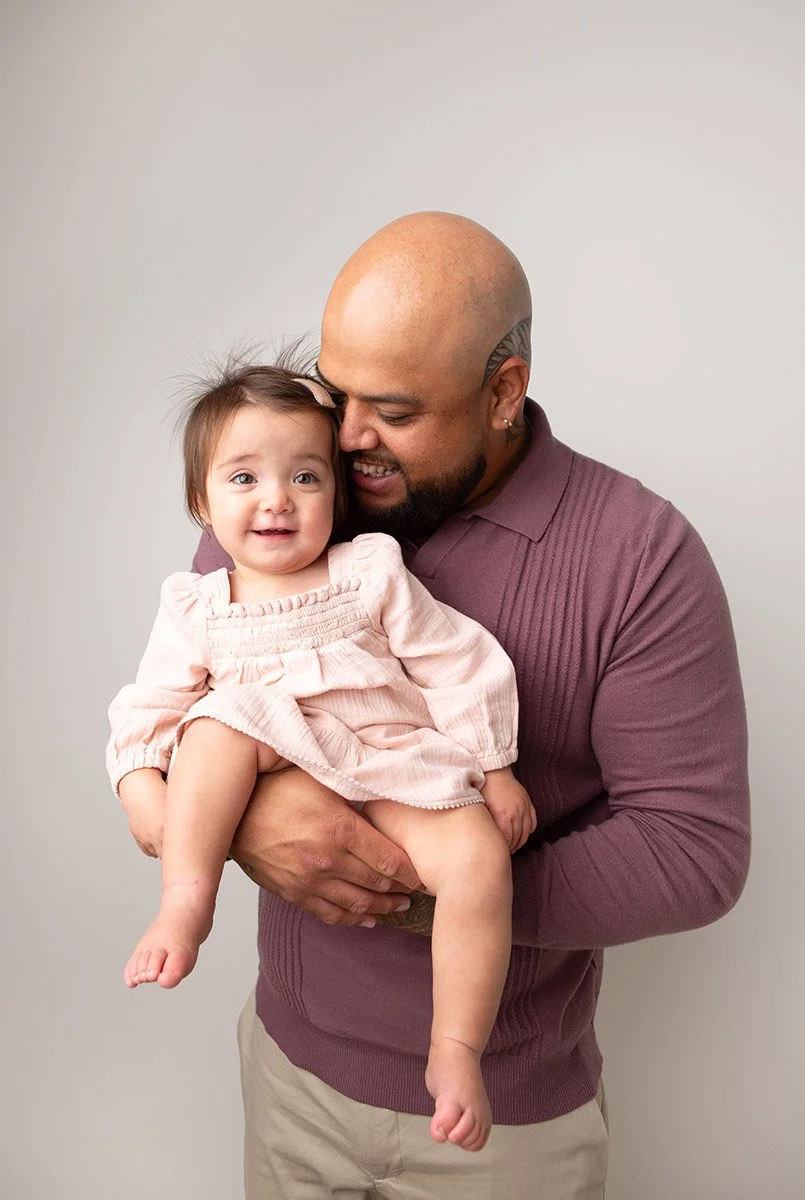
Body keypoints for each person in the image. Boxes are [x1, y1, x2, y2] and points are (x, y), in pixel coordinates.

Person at [122, 212, 750, 1199]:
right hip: (290, 1074)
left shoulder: (641, 557)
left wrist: (415, 885)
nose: (346, 436)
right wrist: (242, 829)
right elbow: (181, 715)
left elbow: (694, 853)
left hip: (504, 1131)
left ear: (504, 391)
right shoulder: (289, 498)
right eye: (339, 393)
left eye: (396, 410)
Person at [107, 361, 536, 1152]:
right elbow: (150, 705)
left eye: (305, 476)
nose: (276, 499)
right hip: (268, 749)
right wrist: (138, 782)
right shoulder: (198, 606)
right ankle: (185, 901)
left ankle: (455, 1048)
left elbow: (455, 659)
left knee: (479, 861)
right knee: (210, 728)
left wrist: (495, 765)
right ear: (202, 504)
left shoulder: (367, 571)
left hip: (386, 758)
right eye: (244, 478)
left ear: (334, 497)